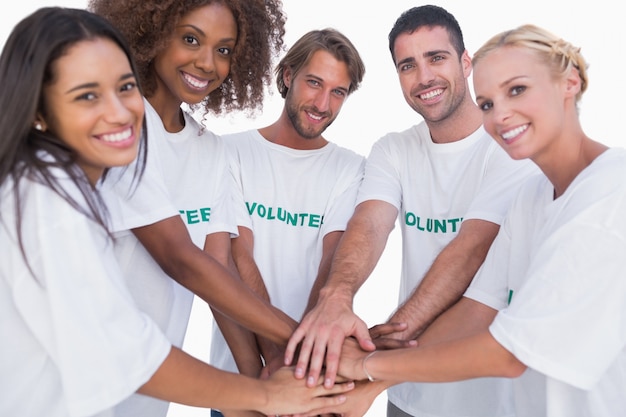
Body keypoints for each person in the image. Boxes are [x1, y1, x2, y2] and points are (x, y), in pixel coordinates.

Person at [0, 7, 354, 417]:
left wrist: (266, 372)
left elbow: (214, 270)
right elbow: (170, 278)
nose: (117, 111)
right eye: (87, 95)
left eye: (125, 86)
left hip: (149, 399)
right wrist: (283, 374)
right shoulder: (46, 197)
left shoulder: (199, 150)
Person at [337, 22, 626, 417]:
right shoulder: (531, 197)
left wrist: (364, 366)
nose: (502, 114)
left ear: (569, 82)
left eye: (517, 90)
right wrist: (372, 382)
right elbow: (477, 308)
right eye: (488, 103)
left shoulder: (611, 196)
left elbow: (509, 353)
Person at [286, 5, 539, 417]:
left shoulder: (510, 147)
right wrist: (337, 298)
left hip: (491, 397)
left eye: (436, 58)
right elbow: (369, 224)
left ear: (466, 62)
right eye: (407, 65)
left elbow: (470, 252)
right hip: (408, 398)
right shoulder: (393, 149)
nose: (423, 78)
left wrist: (371, 357)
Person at [87, 1, 302, 416]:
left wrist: (261, 373)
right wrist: (301, 339)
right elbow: (181, 260)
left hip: (149, 388)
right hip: (73, 383)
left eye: (224, 49)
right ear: (150, 33)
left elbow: (216, 274)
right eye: (191, 39)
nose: (207, 63)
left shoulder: (210, 150)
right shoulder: (115, 122)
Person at [208, 28, 372, 417]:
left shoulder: (351, 169)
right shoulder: (227, 153)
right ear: (287, 76)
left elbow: (331, 268)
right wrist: (275, 362)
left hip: (311, 385)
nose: (322, 103)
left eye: (338, 92)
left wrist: (299, 368)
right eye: (314, 83)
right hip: (237, 379)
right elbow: (236, 255)